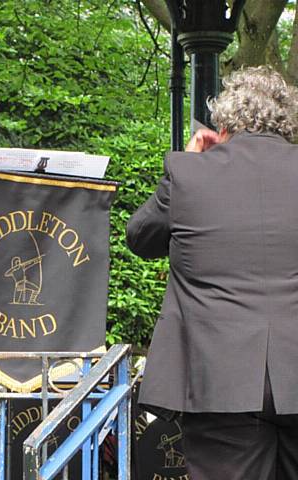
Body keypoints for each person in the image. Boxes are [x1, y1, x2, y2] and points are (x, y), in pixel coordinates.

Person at [126, 66, 298, 480]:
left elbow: (141, 239)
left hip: (218, 382)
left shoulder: (189, 173)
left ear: (223, 124)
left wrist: (188, 162)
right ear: (288, 120)